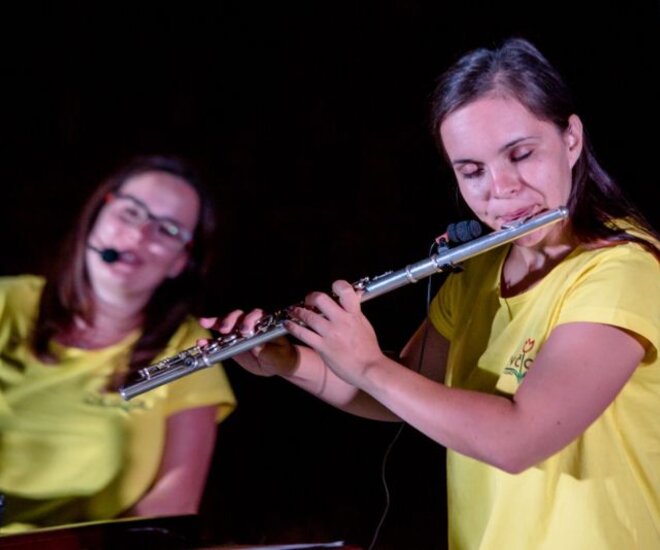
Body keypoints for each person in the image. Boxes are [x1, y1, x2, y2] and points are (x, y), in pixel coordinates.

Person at [204, 37, 659, 549]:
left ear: (571, 139)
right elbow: (405, 395)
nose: (500, 188)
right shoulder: (478, 270)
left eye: (521, 154)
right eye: (472, 171)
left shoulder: (626, 270)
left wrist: (370, 363)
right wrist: (289, 361)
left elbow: (518, 440)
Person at [0, 155, 236, 532]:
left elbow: (174, 503)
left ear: (180, 262)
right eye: (130, 212)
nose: (139, 235)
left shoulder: (188, 344)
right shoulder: (7, 302)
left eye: (167, 230)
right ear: (97, 216)